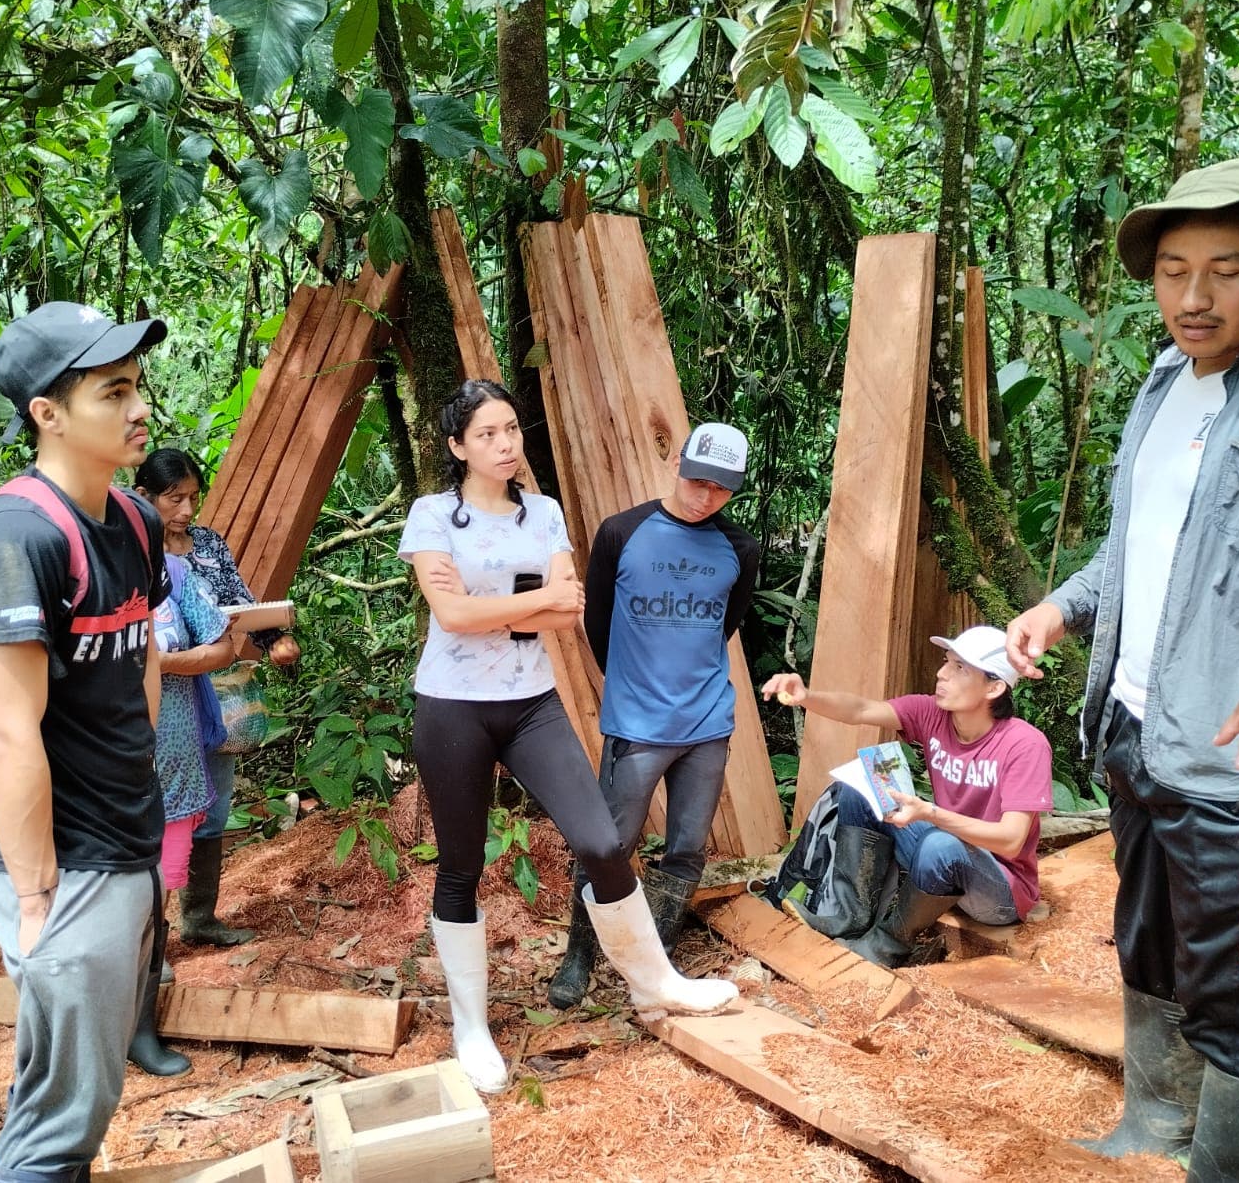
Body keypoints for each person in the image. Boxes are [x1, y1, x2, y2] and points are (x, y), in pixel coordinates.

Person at [1004, 159, 1239, 1183]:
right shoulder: (1168, 380)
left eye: (1227, 269)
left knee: (1230, 982)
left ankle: (1229, 1168)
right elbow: (1135, 547)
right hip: (1136, 730)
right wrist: (1061, 606)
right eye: (1173, 271)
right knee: (1149, 942)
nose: (1194, 297)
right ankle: (1156, 1124)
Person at [399, 379, 737, 1095]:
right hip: (453, 706)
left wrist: (494, 603)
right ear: (458, 446)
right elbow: (451, 616)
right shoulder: (433, 515)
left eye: (511, 430)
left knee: (602, 841)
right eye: (487, 434)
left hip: (531, 705)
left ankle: (654, 981)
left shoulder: (544, 513)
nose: (505, 444)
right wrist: (529, 601)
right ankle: (471, 1025)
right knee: (461, 864)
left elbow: (566, 611)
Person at [0, 301, 172, 1183]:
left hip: (126, 840)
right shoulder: (18, 538)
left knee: (66, 1095)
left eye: (137, 386)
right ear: (46, 413)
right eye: (113, 392)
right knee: (62, 1124)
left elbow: (142, 653)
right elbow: (7, 733)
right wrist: (37, 896)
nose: (139, 408)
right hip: (65, 866)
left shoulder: (136, 520)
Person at [548, 423, 760, 1008]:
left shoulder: (739, 547)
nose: (705, 497)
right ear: (677, 466)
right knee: (608, 845)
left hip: (707, 724)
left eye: (720, 489)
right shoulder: (622, 532)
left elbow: (725, 624)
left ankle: (655, 966)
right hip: (637, 725)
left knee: (687, 847)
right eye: (697, 482)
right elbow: (599, 625)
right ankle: (579, 957)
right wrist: (636, 685)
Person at [762, 626, 1052, 967]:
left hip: (1000, 888)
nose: (942, 674)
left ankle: (886, 945)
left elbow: (1011, 841)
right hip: (940, 855)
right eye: (947, 662)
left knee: (940, 846)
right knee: (860, 789)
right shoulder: (931, 713)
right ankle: (849, 916)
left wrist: (930, 813)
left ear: (994, 687)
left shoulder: (1025, 744)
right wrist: (806, 696)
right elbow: (860, 710)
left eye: (960, 668)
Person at [134, 448, 299, 947]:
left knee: (213, 805)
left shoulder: (207, 545)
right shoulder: (129, 549)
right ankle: (148, 938)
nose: (186, 510)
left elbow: (238, 602)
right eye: (174, 499)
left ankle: (199, 918)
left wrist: (275, 638)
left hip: (215, 692)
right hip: (157, 705)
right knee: (156, 815)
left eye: (193, 498)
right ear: (144, 496)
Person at [127, 549, 235, 1077]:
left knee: (165, 863)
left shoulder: (174, 574)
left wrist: (165, 662)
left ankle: (143, 999)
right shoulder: (80, 569)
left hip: (173, 751)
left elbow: (222, 645)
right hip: (105, 755)